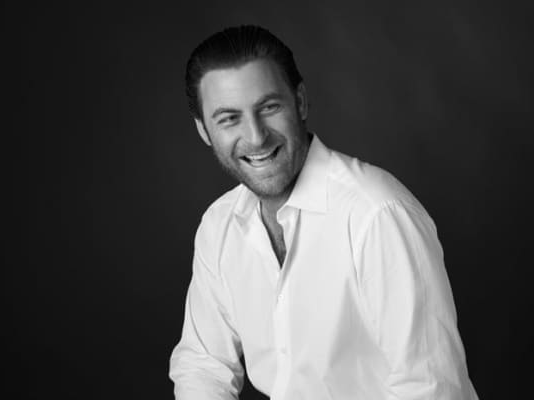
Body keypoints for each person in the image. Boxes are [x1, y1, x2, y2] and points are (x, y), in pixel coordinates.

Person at [169, 25, 479, 400]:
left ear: (300, 102)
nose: (255, 136)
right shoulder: (219, 226)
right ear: (204, 131)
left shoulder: (377, 215)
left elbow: (431, 389)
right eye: (229, 118)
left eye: (269, 108)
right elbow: (203, 367)